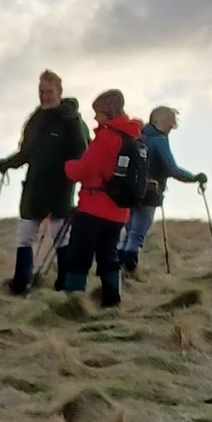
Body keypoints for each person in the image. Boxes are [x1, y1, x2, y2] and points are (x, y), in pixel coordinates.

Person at [0, 71, 88, 296]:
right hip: (34, 188)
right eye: (41, 92)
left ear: (59, 91)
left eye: (49, 92)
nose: (45, 96)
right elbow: (26, 152)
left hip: (60, 189)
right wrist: (8, 163)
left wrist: (69, 178)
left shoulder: (72, 120)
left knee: (61, 237)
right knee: (25, 237)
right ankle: (20, 284)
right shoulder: (34, 120)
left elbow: (82, 153)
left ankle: (64, 286)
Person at [58, 88, 146, 308]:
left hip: (93, 208)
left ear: (108, 111)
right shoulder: (132, 136)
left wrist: (68, 166)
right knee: (109, 256)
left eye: (98, 112)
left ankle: (73, 304)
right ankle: (112, 301)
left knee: (80, 256)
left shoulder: (107, 137)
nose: (95, 117)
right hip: (119, 211)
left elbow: (84, 170)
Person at [121, 105, 208, 277]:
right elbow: (172, 169)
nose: (172, 127)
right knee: (138, 234)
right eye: (171, 123)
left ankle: (116, 271)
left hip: (128, 191)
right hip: (150, 192)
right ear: (160, 120)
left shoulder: (136, 136)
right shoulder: (159, 140)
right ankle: (129, 270)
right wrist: (194, 177)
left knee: (127, 229)